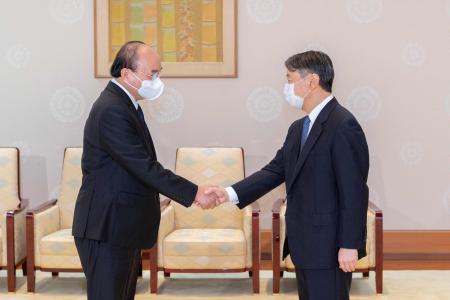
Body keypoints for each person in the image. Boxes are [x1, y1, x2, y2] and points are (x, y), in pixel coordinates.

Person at [208, 51, 369, 300]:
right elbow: (274, 171)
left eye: (290, 79)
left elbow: (354, 190)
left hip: (330, 246)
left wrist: (349, 244)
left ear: (312, 81)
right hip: (304, 243)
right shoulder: (298, 128)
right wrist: (228, 192)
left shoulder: (342, 124)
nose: (287, 86)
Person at [72, 41, 218, 300]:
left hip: (120, 226)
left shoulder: (125, 104)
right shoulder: (112, 110)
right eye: (152, 74)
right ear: (127, 74)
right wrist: (194, 192)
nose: (157, 80)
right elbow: (144, 167)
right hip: (106, 227)